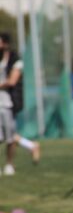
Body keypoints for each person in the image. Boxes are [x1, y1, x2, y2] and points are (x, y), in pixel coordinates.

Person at [0, 32, 40, 176]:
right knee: (3, 136)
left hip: (7, 104)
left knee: (9, 137)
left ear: (5, 43)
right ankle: (31, 146)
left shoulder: (15, 59)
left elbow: (12, 81)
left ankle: (10, 164)